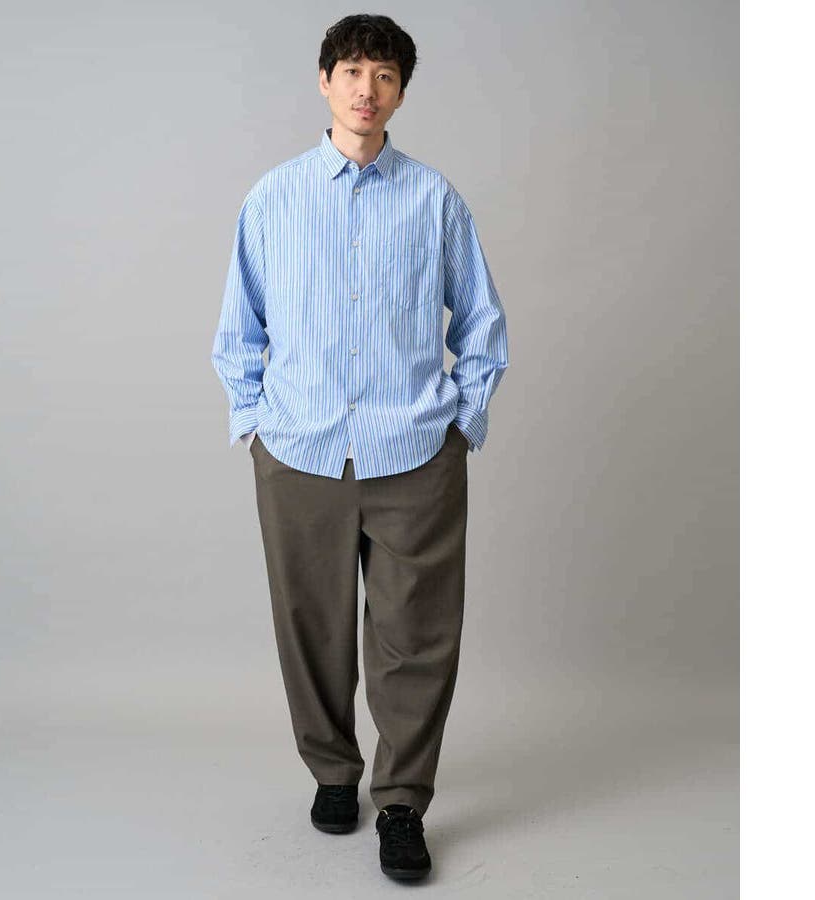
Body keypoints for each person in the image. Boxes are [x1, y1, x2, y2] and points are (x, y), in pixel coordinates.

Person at [211, 13, 508, 882]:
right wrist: (254, 422)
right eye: (351, 71)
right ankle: (334, 774)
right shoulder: (272, 199)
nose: (365, 89)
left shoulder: (435, 200)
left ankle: (403, 801)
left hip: (413, 450)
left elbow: (482, 323)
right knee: (311, 626)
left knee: (418, 636)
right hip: (298, 450)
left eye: (384, 75)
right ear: (324, 80)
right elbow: (239, 329)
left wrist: (462, 424)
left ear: (401, 92)